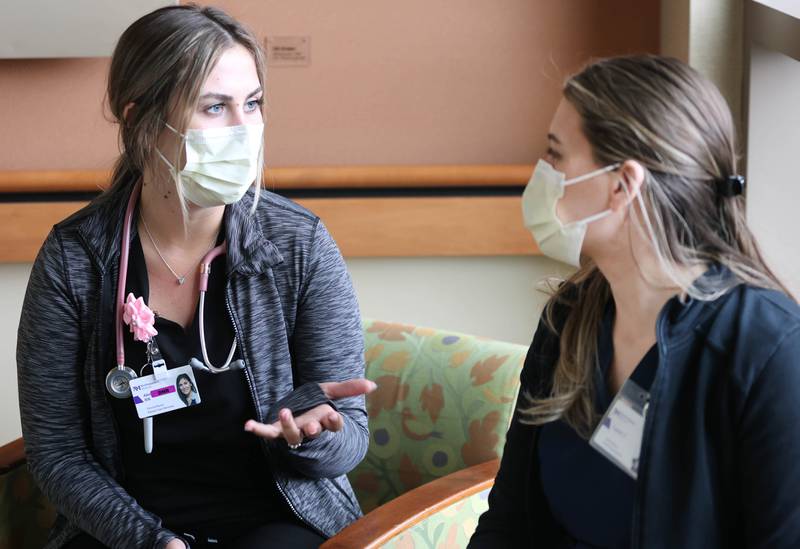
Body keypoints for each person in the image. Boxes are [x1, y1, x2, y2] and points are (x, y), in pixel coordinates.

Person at [16, 5, 374, 548]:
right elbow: (58, 451)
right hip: (127, 529)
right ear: (140, 121)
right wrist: (152, 541)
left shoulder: (298, 244)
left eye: (252, 104)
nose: (243, 130)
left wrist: (310, 438)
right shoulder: (76, 260)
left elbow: (349, 436)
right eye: (214, 107)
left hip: (277, 517)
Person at [469, 55, 800, 548]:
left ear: (624, 184)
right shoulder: (568, 320)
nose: (543, 172)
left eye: (556, 154)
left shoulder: (769, 353)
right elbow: (511, 521)